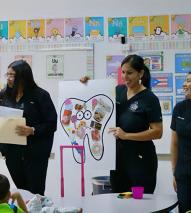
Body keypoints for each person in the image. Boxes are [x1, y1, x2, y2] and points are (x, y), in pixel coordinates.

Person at [0, 60, 57, 195]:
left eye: (12, 75)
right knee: (22, 190)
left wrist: (33, 130)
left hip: (34, 155)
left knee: (35, 193)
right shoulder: (5, 94)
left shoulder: (40, 95)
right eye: (7, 74)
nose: (9, 78)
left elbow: (51, 123)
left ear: (23, 77)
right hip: (12, 153)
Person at [81, 54, 163, 193]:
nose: (125, 76)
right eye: (123, 72)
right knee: (118, 201)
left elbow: (157, 132)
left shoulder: (149, 98)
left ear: (140, 73)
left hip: (140, 160)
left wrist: (127, 135)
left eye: (130, 73)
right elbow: (98, 105)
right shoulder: (117, 91)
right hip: (117, 159)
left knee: (140, 204)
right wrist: (87, 84)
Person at [170, 71, 191, 213]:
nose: (185, 84)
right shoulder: (180, 108)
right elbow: (174, 143)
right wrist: (174, 172)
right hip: (184, 175)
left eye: (189, 81)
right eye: (186, 80)